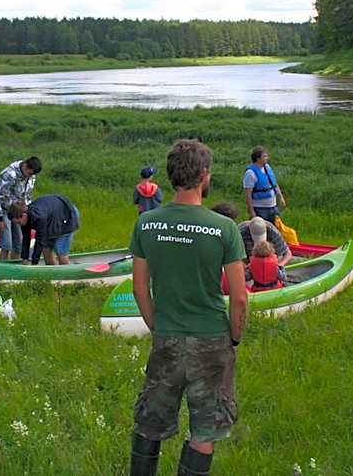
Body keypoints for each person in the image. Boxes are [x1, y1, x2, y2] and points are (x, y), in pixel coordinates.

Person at [128, 139, 247, 476]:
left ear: (169, 177)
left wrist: (159, 326)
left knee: (150, 420)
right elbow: (239, 297)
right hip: (210, 338)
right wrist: (233, 339)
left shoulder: (146, 223)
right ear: (204, 175)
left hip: (166, 334)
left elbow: (140, 288)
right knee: (205, 427)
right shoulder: (224, 228)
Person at [0, 156, 42, 260]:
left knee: (19, 244)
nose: (31, 176)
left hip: (19, 212)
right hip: (5, 211)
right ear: (25, 166)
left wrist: (28, 213)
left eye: (33, 174)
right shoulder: (9, 174)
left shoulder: (31, 177)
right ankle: (2, 268)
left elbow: (27, 196)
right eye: (30, 173)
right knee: (7, 244)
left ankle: (15, 269)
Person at [7, 194, 79, 265]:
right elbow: (26, 239)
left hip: (66, 214)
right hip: (51, 218)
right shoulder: (24, 219)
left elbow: (39, 240)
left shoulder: (39, 217)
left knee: (60, 251)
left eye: (18, 222)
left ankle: (65, 273)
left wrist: (34, 263)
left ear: (24, 215)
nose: (18, 225)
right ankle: (52, 274)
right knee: (46, 251)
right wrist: (25, 258)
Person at [238, 216, 293, 285]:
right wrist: (243, 266)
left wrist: (280, 265)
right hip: (246, 261)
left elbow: (288, 253)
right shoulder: (239, 232)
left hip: (256, 272)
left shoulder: (273, 232)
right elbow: (283, 277)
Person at [242, 146, 286, 224]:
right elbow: (248, 195)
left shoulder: (267, 168)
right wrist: (252, 212)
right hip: (260, 208)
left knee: (275, 230)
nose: (267, 158)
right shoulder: (250, 174)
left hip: (273, 206)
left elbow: (274, 183)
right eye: (264, 156)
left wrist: (281, 197)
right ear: (258, 158)